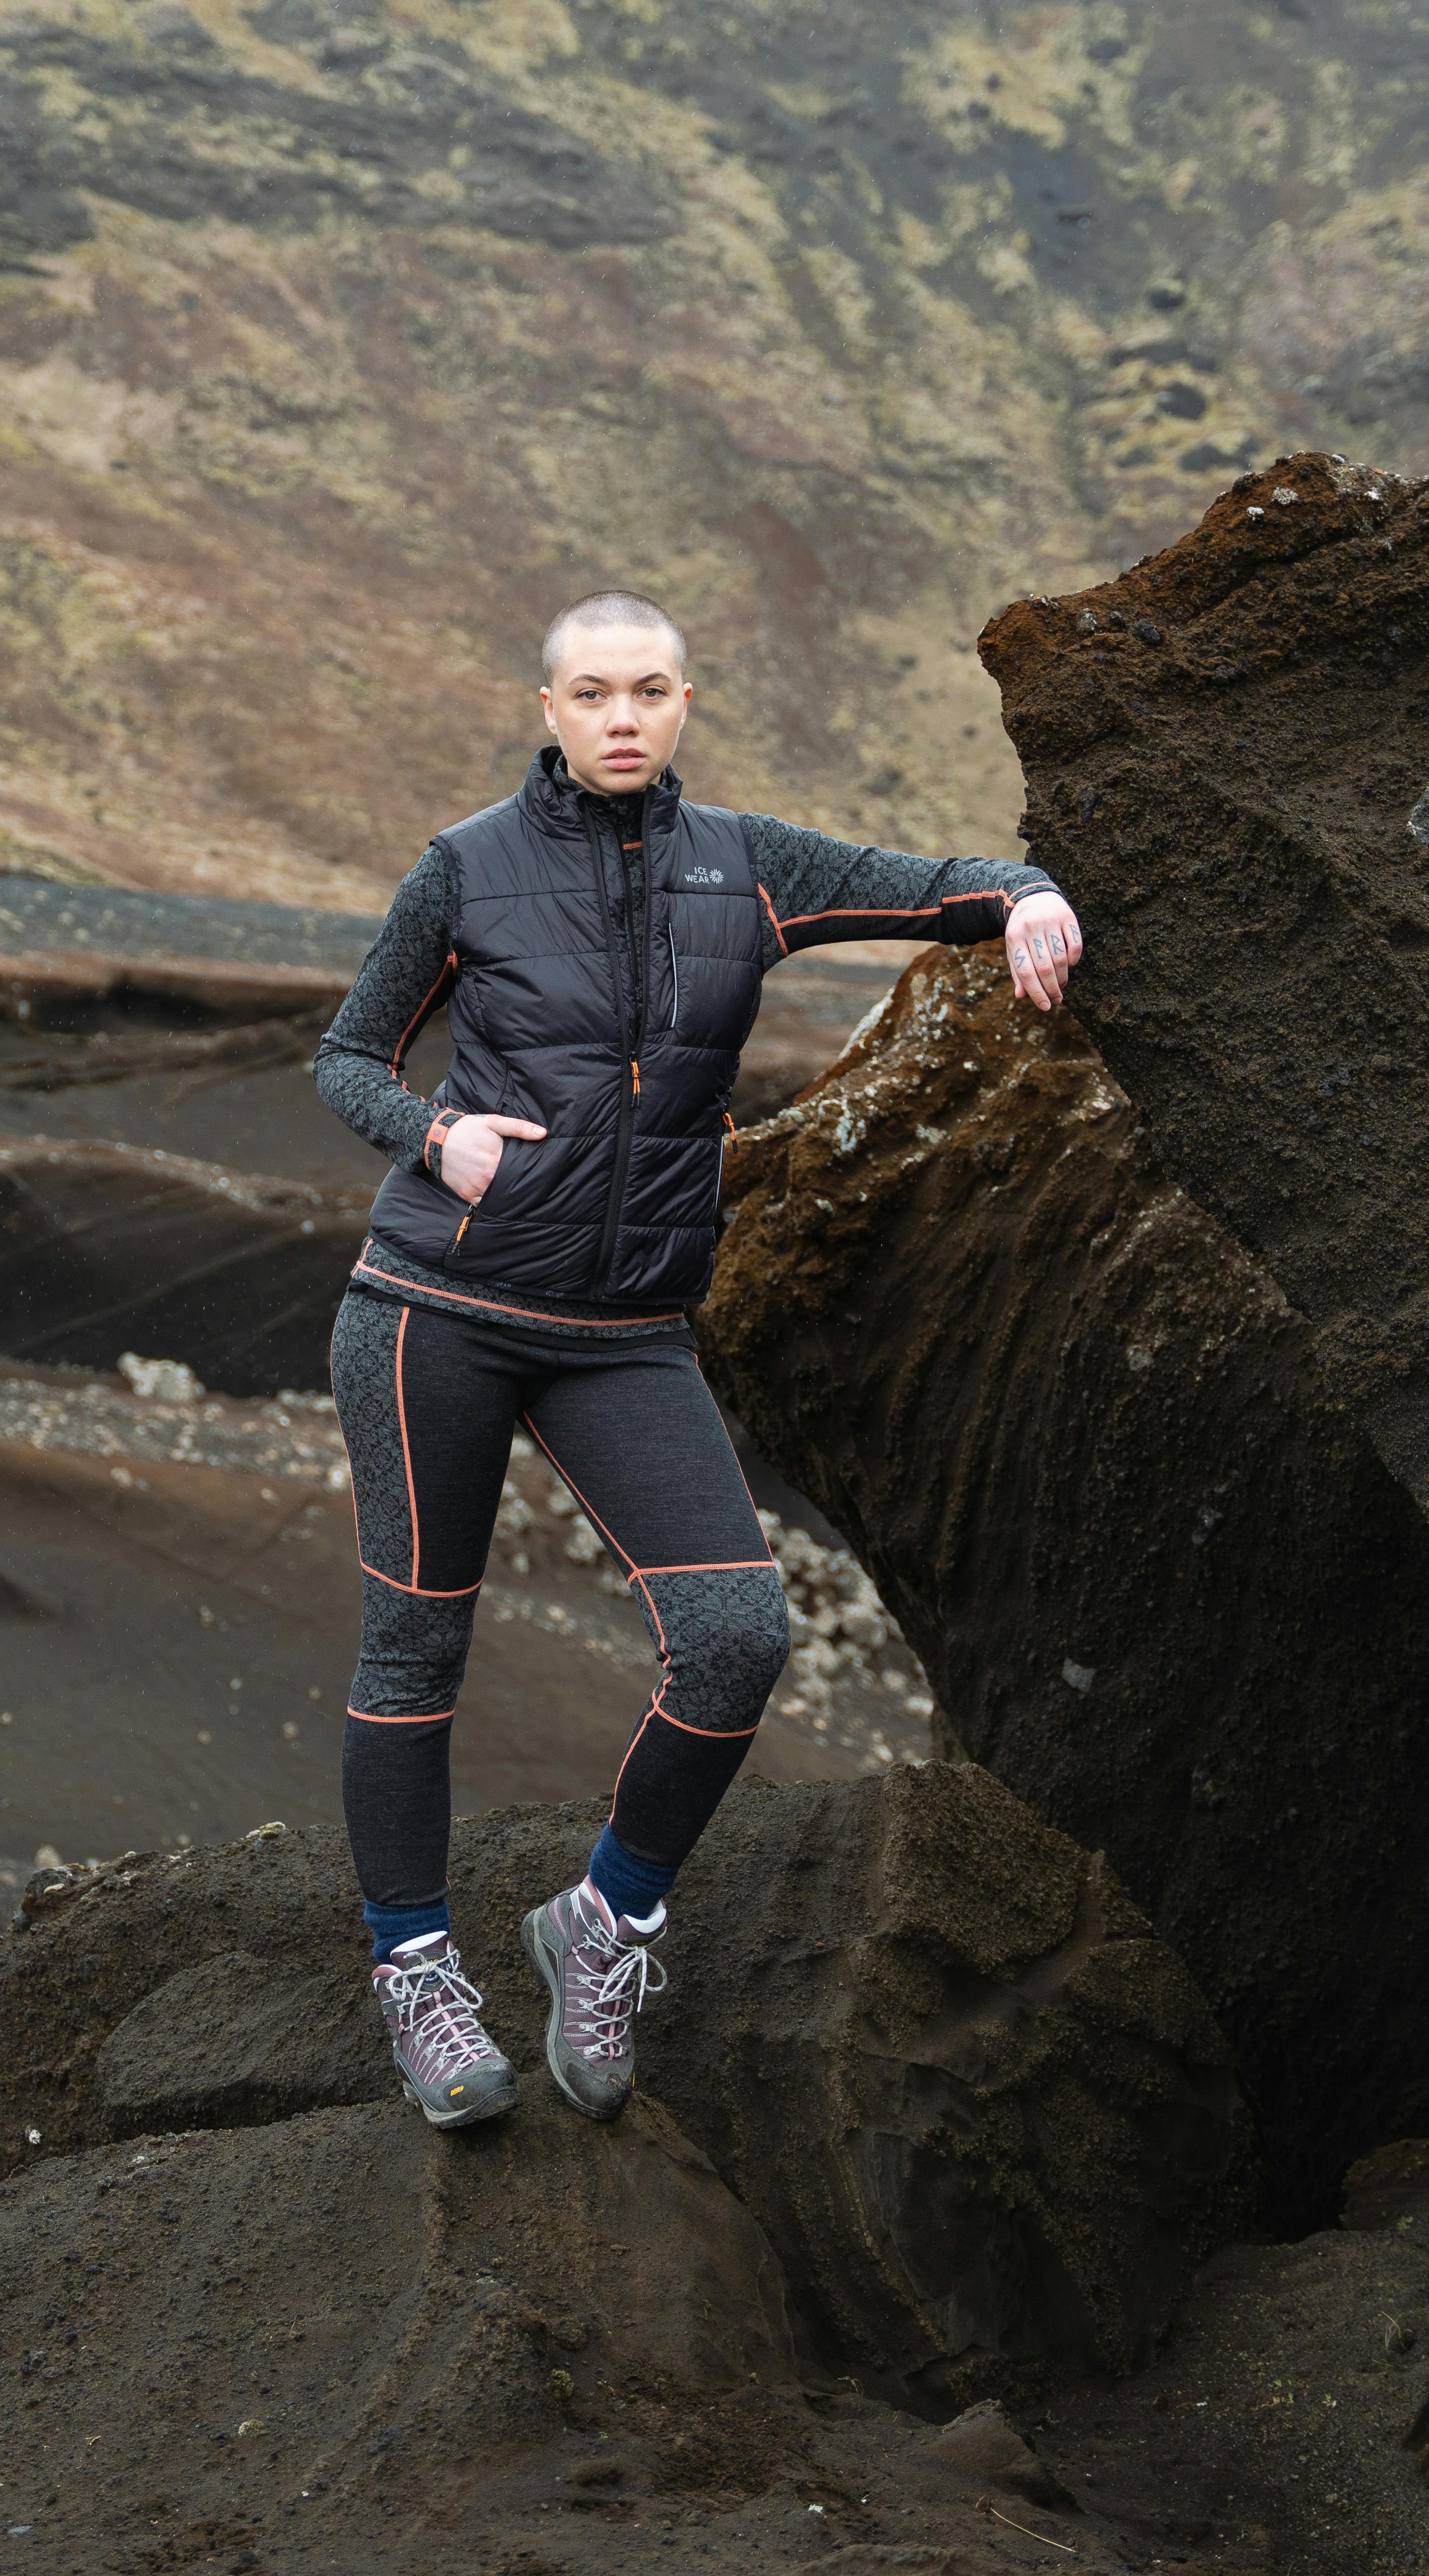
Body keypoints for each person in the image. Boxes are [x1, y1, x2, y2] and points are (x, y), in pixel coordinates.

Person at [310, 588, 1084, 2128]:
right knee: (415, 1652)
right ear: (547, 707)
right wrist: (434, 1134)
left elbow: (930, 884)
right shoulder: (463, 869)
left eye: (647, 691)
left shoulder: (749, 865)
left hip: (626, 1334)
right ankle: (415, 1973)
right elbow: (345, 1053)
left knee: (736, 1641)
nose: (619, 717)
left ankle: (607, 1922)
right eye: (589, 692)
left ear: (681, 705)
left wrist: (1025, 895)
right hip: (433, 1315)